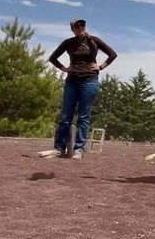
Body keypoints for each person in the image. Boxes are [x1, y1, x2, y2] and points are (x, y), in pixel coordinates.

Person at [49, 18, 117, 159]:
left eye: (82, 25)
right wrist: (64, 68)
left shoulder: (94, 40)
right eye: (77, 26)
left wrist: (100, 67)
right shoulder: (68, 43)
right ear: (72, 29)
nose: (80, 28)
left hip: (89, 81)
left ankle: (78, 149)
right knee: (66, 116)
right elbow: (53, 58)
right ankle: (59, 148)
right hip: (72, 81)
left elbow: (112, 54)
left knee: (83, 116)